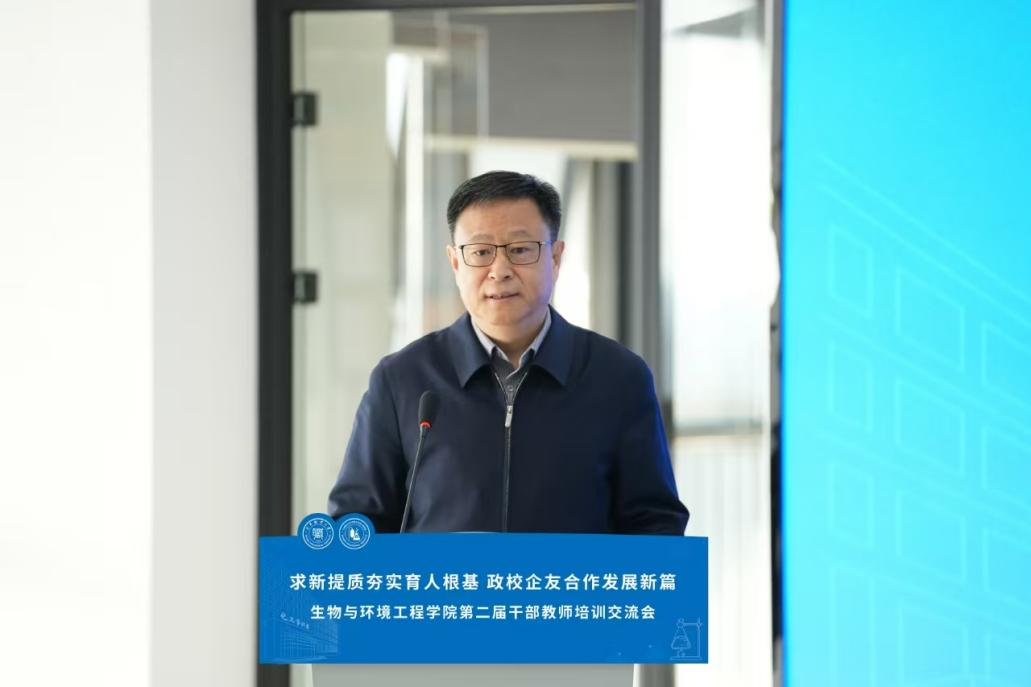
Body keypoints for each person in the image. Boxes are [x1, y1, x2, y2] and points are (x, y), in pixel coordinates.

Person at [327, 171, 688, 534]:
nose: (499, 271)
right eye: (480, 252)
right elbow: (356, 524)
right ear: (455, 263)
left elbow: (655, 525)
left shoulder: (619, 378)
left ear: (556, 258)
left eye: (520, 250)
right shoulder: (402, 380)